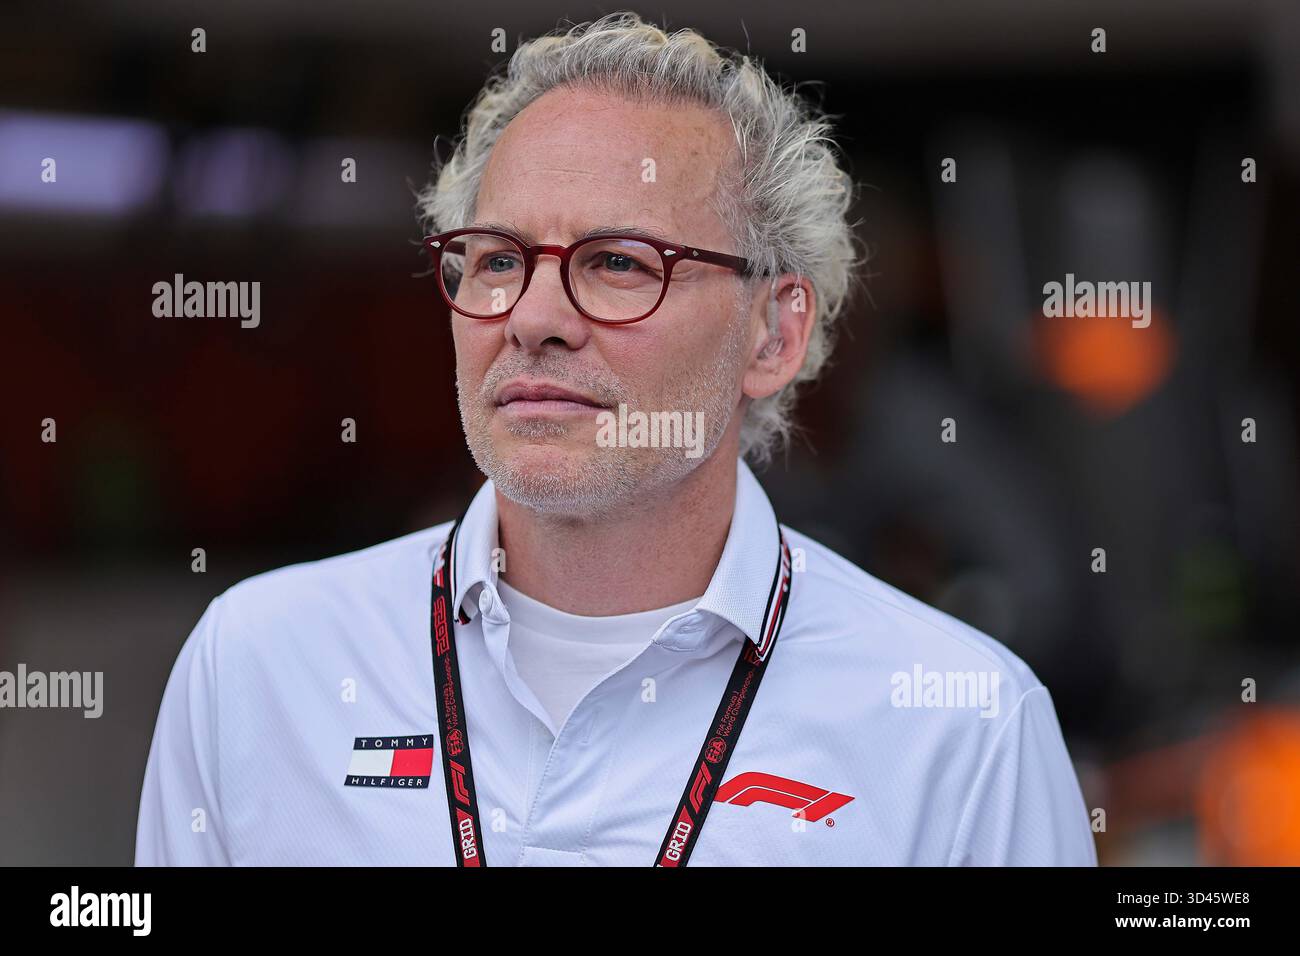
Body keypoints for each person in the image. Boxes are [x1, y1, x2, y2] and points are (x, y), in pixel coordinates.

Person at [135, 11, 1096, 866]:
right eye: (499, 258)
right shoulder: (258, 667)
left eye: (619, 263)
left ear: (775, 332)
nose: (534, 316)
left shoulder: (963, 731)